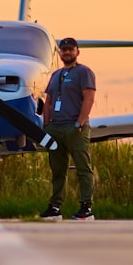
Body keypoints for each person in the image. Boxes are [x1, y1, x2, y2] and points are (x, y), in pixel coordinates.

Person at [39, 37, 97, 220]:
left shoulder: (84, 72)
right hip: (55, 128)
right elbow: (48, 101)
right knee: (57, 171)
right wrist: (46, 125)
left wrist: (79, 123)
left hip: (75, 128)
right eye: (64, 50)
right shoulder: (55, 75)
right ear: (60, 53)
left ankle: (86, 207)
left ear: (77, 51)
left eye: (70, 49)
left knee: (83, 168)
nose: (67, 52)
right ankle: (55, 207)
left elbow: (89, 98)